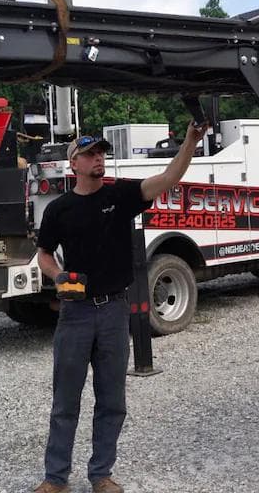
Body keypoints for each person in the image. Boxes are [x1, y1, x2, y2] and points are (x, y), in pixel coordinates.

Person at [33, 122, 209, 493]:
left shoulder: (122, 196)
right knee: (66, 399)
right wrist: (58, 276)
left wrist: (191, 142)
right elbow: (44, 255)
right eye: (90, 154)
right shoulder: (60, 210)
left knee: (112, 400)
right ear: (74, 164)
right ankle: (56, 478)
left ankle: (101, 474)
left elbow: (168, 177)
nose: (99, 159)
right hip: (76, 314)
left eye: (101, 153)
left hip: (114, 311)